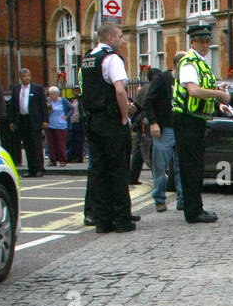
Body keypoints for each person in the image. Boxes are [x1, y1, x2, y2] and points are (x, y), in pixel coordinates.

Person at [80, 21, 135, 233]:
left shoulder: (88, 60)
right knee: (118, 169)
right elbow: (120, 91)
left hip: (92, 120)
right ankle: (122, 219)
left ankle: (102, 220)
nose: (122, 40)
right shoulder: (111, 58)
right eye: (120, 36)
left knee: (99, 171)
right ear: (110, 38)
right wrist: (124, 116)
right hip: (111, 120)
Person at [173, 24, 230, 224]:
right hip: (187, 119)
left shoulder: (201, 63)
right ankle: (193, 211)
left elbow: (202, 87)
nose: (206, 45)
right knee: (190, 167)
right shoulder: (189, 62)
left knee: (195, 166)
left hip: (196, 119)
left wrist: (216, 87)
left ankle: (195, 207)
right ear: (193, 42)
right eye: (202, 41)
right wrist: (218, 94)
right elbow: (193, 90)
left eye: (208, 41)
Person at [144, 55, 179, 212]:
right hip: (164, 128)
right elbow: (148, 101)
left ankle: (183, 199)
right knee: (160, 166)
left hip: (182, 128)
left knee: (181, 167)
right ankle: (159, 198)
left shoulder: (188, 80)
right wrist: (153, 122)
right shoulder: (162, 79)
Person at [13, 68, 48, 178]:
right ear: (20, 77)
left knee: (36, 145)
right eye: (24, 76)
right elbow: (13, 107)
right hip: (22, 120)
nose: (27, 78)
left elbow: (43, 106)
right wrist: (12, 121)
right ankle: (31, 169)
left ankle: (39, 169)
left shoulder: (37, 89)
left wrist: (45, 120)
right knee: (27, 146)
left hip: (35, 120)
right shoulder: (16, 89)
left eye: (28, 76)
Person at [45, 85, 68, 166]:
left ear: (57, 94)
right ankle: (53, 160)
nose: (50, 96)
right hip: (50, 125)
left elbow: (71, 108)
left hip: (60, 125)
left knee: (60, 144)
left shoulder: (63, 101)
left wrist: (66, 116)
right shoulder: (48, 101)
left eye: (52, 94)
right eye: (50, 94)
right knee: (51, 144)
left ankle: (63, 160)